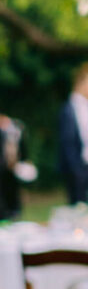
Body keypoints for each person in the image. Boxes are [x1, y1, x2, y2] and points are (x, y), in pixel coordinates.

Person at [58, 64, 88, 205]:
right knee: (79, 208)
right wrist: (76, 170)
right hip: (78, 167)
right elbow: (67, 142)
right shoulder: (68, 109)